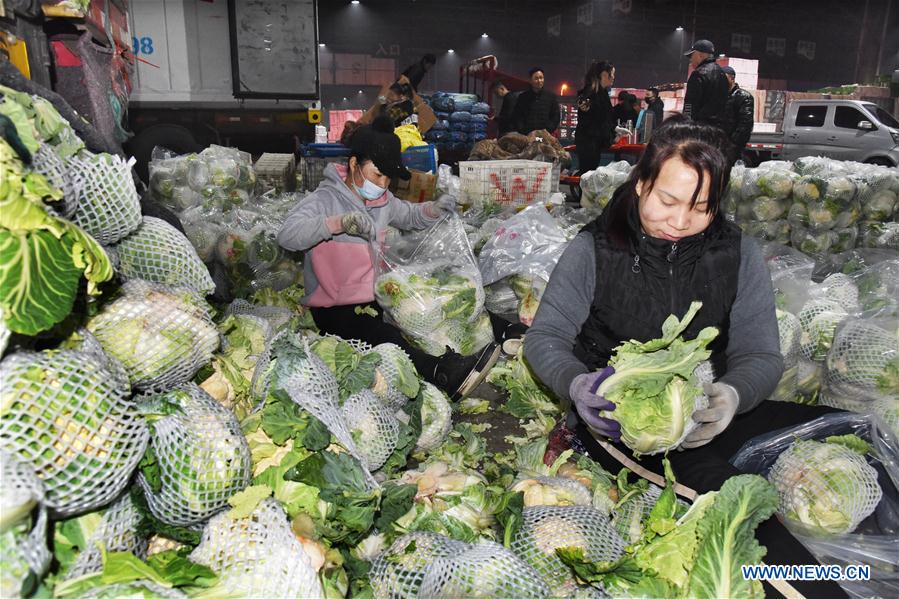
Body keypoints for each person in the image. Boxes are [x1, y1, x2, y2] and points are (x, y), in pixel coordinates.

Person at [523, 117, 846, 598]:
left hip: (708, 408)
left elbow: (760, 353)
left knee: (844, 428)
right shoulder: (594, 248)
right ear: (641, 184)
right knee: (733, 505)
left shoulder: (738, 253)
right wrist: (576, 384)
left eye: (700, 208)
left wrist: (732, 396)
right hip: (625, 428)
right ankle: (818, 590)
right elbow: (545, 337)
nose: (679, 221)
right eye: (667, 201)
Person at [277, 116, 499, 398]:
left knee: (438, 301)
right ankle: (441, 372)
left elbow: (409, 216)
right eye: (377, 175)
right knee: (386, 337)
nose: (382, 184)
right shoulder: (323, 201)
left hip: (375, 298)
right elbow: (287, 235)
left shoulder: (382, 200)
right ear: (354, 164)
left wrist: (434, 209)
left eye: (387, 178)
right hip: (334, 310)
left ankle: (504, 332)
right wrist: (337, 223)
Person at [574, 60, 617, 173]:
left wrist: (614, 129)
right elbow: (585, 105)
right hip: (588, 143)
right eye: (612, 74)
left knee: (589, 173)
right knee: (587, 174)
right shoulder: (591, 92)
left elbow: (605, 118)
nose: (613, 77)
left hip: (594, 143)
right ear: (604, 74)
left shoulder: (602, 93)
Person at [683, 39, 729, 129]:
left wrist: (685, 125)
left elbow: (690, 104)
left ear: (699, 55)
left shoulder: (698, 74)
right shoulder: (722, 73)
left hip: (699, 128)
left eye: (692, 56)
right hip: (718, 129)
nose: (690, 60)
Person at [511, 67, 561, 135]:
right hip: (527, 135)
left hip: (545, 135)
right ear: (530, 80)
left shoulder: (551, 97)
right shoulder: (523, 97)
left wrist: (548, 130)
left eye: (541, 78)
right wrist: (523, 130)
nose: (539, 81)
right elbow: (517, 116)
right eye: (536, 78)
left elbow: (556, 116)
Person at [722, 65, 755, 164]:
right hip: (719, 144)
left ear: (732, 78)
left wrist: (732, 144)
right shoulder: (719, 96)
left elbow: (745, 125)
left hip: (733, 148)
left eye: (723, 77)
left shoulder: (744, 97)